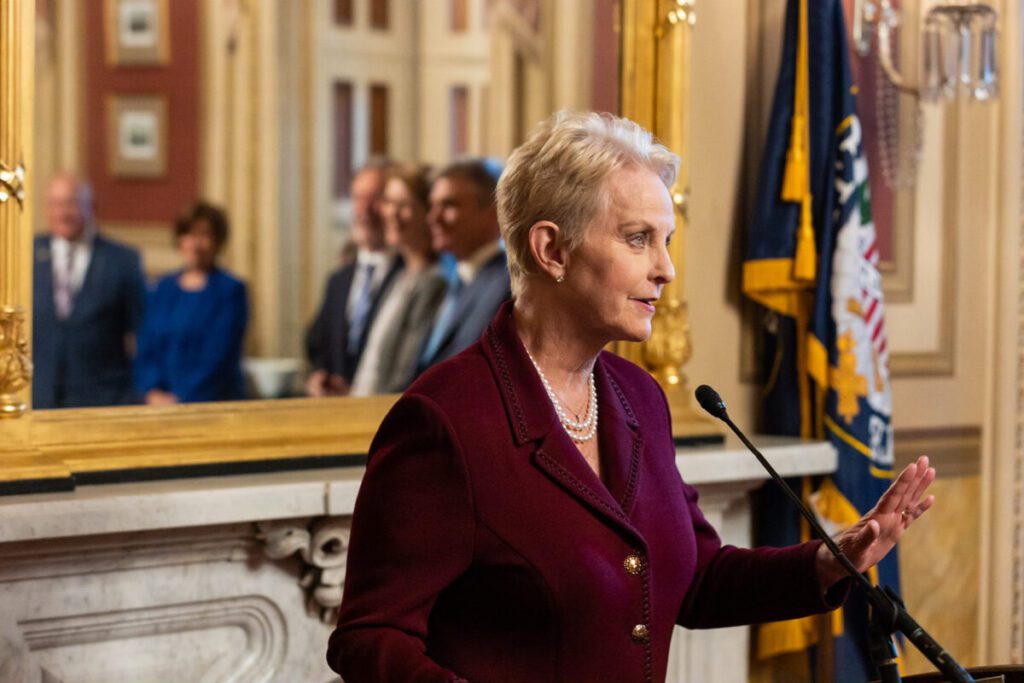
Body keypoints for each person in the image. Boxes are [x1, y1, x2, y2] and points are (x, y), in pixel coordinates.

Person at [326, 111, 935, 682]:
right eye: (639, 239)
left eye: (665, 240)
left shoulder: (638, 397)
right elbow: (370, 636)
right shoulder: (446, 419)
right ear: (551, 250)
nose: (666, 269)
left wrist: (826, 562)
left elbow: (695, 576)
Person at [32, 173, 146, 409]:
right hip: (39, 399)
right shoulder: (26, 255)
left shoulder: (122, 261)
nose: (63, 213)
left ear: (91, 206)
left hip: (102, 400)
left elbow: (142, 333)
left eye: (70, 203)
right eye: (55, 204)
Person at [306, 159, 404, 396]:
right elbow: (318, 343)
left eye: (375, 198)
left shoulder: (410, 276)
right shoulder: (338, 280)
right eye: (357, 198)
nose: (364, 209)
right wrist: (321, 377)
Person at [134, 201, 248, 404]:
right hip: (158, 405)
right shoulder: (161, 289)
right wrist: (152, 390)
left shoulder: (230, 290)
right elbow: (146, 347)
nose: (195, 244)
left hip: (211, 403)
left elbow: (219, 355)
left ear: (217, 241)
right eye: (189, 234)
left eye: (204, 235)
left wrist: (181, 400)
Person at [349, 164, 447, 396]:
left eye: (404, 205)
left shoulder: (433, 281)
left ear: (427, 212)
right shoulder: (401, 276)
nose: (391, 213)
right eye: (389, 202)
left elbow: (404, 376)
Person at [415, 158, 511, 374]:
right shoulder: (451, 283)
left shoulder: (506, 284)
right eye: (432, 206)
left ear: (493, 213)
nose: (433, 218)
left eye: (449, 205)